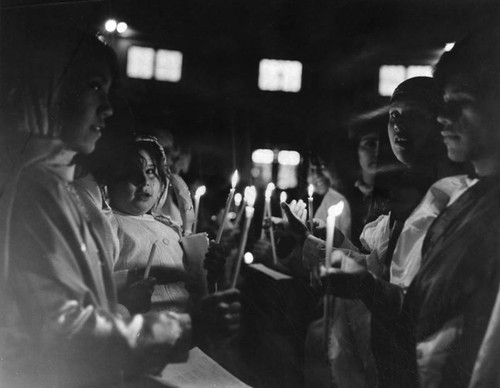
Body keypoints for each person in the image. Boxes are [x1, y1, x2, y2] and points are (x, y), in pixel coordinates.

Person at [0, 30, 239, 388]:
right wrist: (187, 326)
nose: (107, 108)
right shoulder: (38, 188)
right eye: (94, 86)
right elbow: (67, 333)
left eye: (109, 92)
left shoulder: (54, 185)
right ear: (50, 88)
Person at [322, 28, 500, 387]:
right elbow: (423, 310)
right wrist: (367, 288)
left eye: (459, 102)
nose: (441, 118)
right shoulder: (463, 201)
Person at [284, 76, 448, 387]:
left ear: (441, 120)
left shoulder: (448, 198)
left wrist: (364, 286)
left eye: (412, 113)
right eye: (393, 115)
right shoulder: (405, 191)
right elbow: (378, 265)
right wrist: (321, 242)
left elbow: (421, 300)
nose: (398, 125)